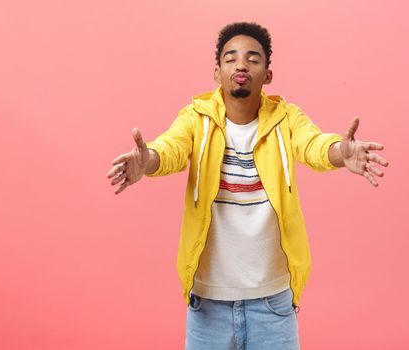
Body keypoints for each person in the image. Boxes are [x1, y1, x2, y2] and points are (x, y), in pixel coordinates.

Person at [106, 22, 389, 350]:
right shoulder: (195, 119)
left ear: (268, 75)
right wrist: (149, 160)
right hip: (208, 304)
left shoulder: (287, 119)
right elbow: (171, 148)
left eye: (253, 59)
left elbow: (313, 145)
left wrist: (341, 153)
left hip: (273, 304)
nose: (241, 64)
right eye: (231, 58)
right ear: (217, 72)